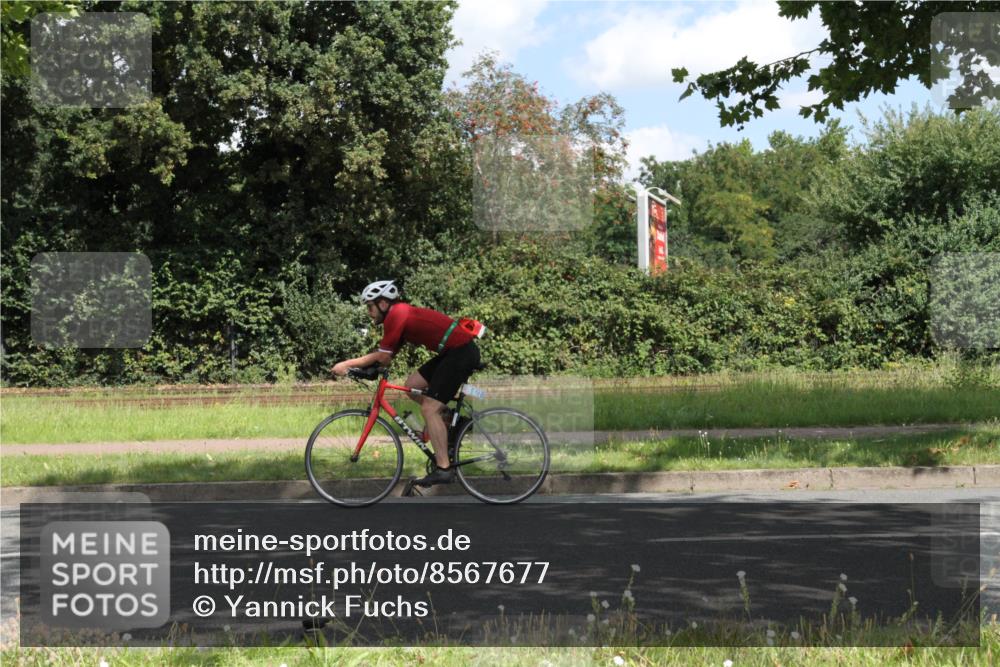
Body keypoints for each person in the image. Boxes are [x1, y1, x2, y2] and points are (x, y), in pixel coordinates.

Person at [331, 280, 481, 486]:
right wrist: (366, 370)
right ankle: (448, 420)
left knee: (429, 409)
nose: (369, 312)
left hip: (460, 352)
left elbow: (382, 357)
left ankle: (444, 469)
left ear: (383, 303)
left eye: (370, 306)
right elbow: (387, 357)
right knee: (412, 384)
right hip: (451, 353)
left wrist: (346, 364)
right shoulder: (397, 317)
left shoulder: (398, 313)